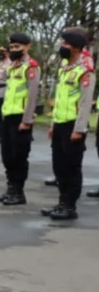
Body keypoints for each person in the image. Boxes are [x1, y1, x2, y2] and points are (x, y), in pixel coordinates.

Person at [43, 27, 95, 221]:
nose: (62, 46)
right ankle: (61, 202)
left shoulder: (85, 72)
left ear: (75, 47)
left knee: (71, 167)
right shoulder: (65, 69)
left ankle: (69, 206)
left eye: (65, 44)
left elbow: (84, 103)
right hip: (60, 123)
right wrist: (53, 123)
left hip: (73, 126)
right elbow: (60, 98)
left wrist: (79, 129)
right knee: (59, 166)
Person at [0, 33, 39, 206]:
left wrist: (27, 120)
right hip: (8, 115)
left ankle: (18, 192)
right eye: (11, 47)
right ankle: (10, 188)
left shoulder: (31, 67)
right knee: (7, 155)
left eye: (17, 47)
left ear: (27, 47)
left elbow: (32, 96)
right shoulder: (12, 67)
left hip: (21, 117)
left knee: (19, 156)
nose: (13, 50)